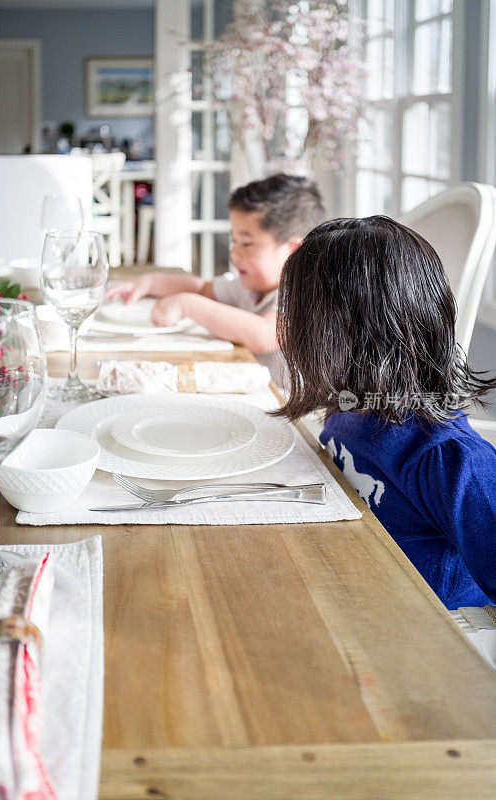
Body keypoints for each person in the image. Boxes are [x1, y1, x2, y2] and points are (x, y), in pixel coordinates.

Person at [275, 215, 496, 610]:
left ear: (355, 334)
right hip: (345, 585)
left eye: (301, 315)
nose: (287, 327)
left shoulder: (450, 462)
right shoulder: (349, 404)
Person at [105, 174, 326, 387]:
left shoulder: (301, 293)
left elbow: (264, 335)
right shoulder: (252, 286)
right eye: (234, 241)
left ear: (294, 250)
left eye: (247, 244)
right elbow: (202, 288)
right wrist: (148, 283)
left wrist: (186, 304)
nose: (234, 254)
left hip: (293, 416)